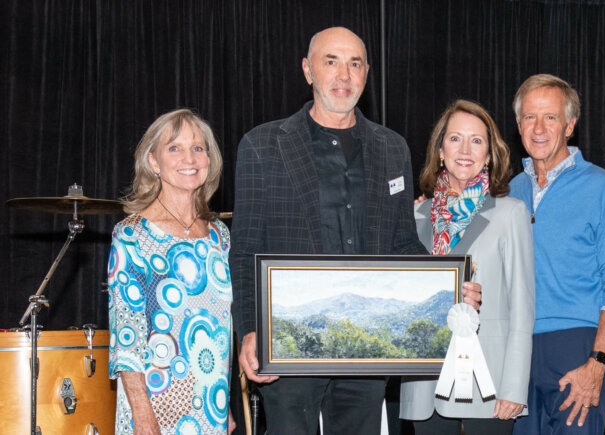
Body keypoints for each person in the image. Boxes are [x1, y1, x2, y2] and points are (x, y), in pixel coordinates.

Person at [230, 27, 486, 435]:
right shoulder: (261, 145)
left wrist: (453, 290)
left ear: (367, 73)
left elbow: (403, 243)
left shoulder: (392, 148)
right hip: (288, 343)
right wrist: (248, 330)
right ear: (307, 70)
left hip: (366, 345)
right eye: (331, 61)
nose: (343, 75)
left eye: (354, 64)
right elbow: (243, 251)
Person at [504, 74, 605, 434]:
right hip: (516, 351)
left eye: (550, 117)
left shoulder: (604, 188)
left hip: (579, 347)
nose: (539, 127)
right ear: (518, 125)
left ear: (570, 125)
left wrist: (596, 363)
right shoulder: (505, 194)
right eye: (530, 117)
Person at [399, 100, 535, 434]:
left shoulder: (511, 213)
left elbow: (523, 307)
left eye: (477, 141)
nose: (465, 149)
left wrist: (514, 387)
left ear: (489, 154)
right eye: (455, 138)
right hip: (424, 384)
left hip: (488, 383)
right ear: (440, 149)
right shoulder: (413, 216)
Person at [108, 109, 235, 434]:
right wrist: (142, 415)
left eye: (198, 147)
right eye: (174, 148)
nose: (189, 157)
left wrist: (226, 400)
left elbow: (220, 328)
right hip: (154, 404)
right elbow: (127, 336)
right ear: (153, 162)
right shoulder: (132, 235)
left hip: (211, 404)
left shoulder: (219, 235)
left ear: (209, 159)